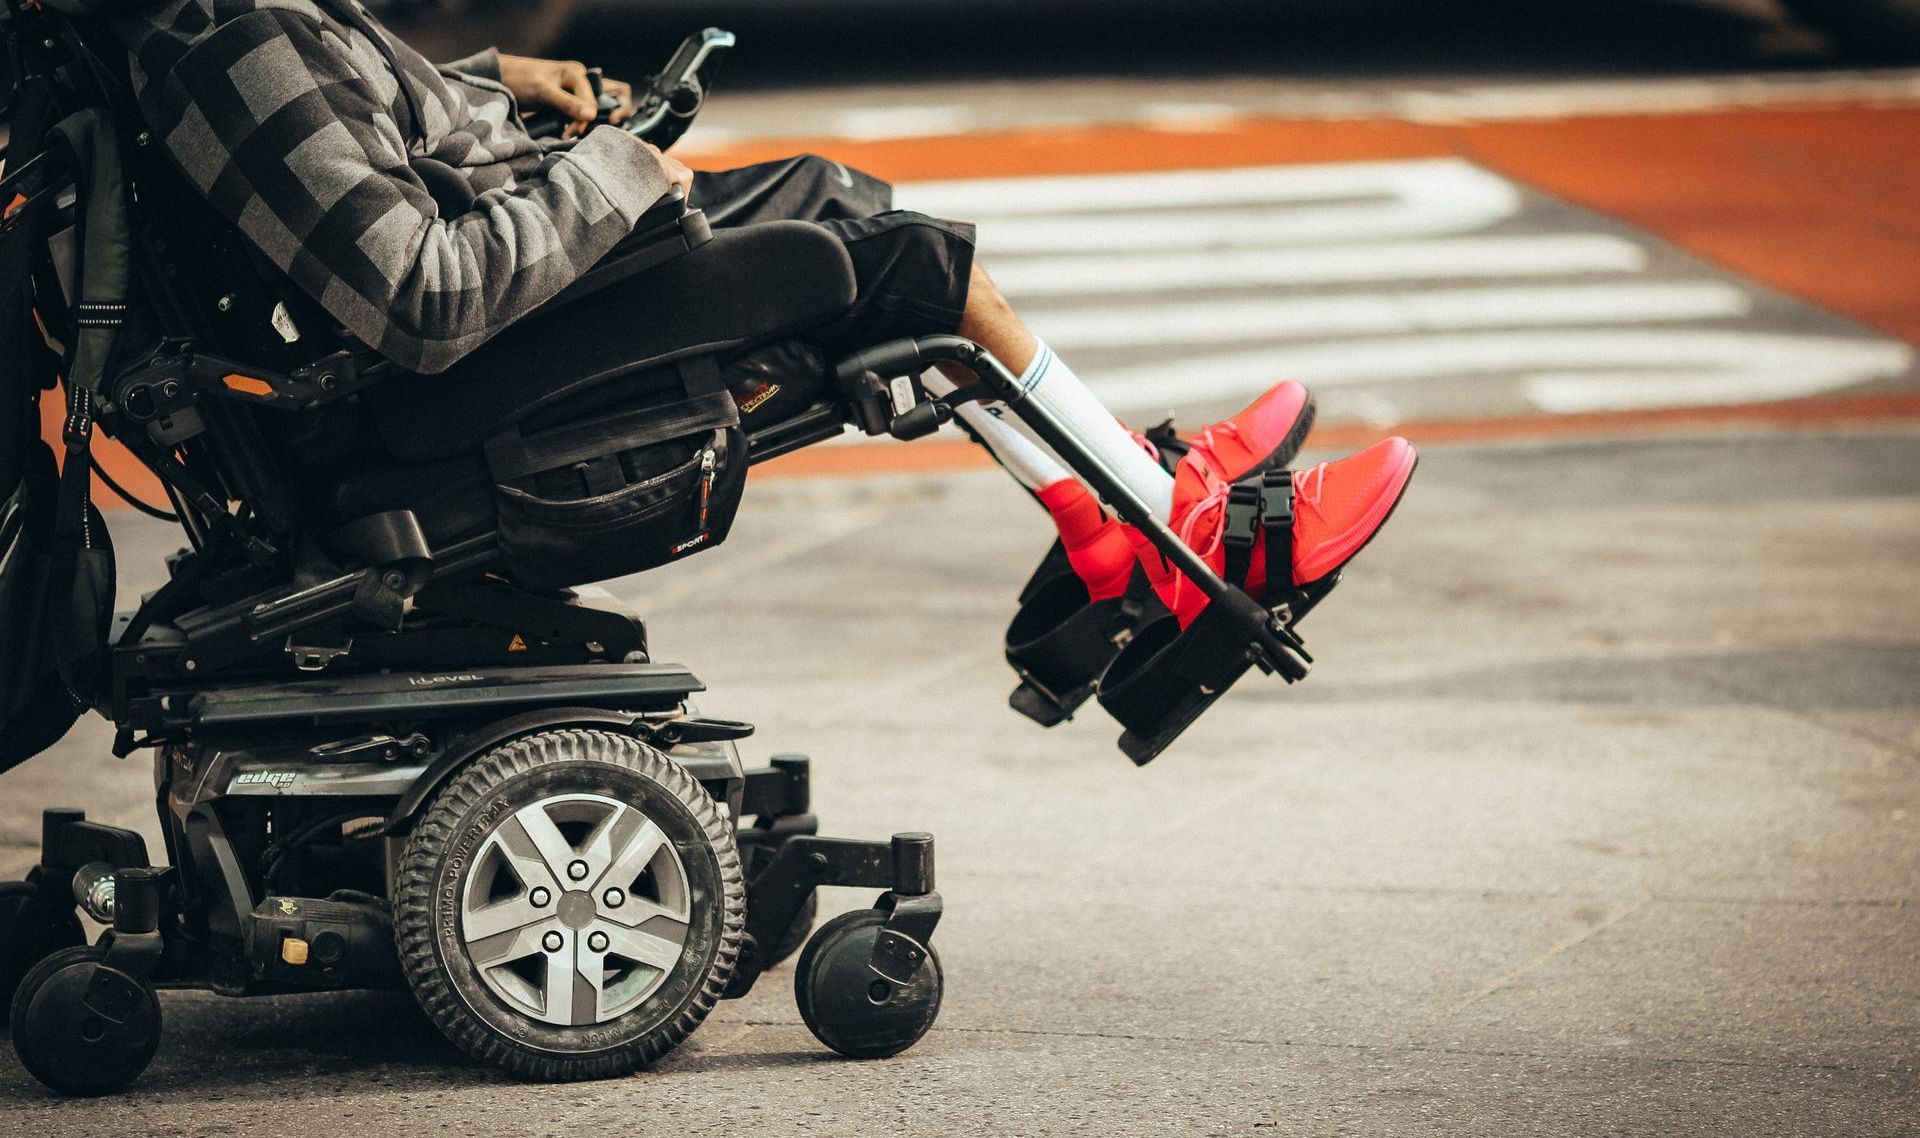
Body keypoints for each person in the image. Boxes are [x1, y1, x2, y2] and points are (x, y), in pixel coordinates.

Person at [104, 0, 1416, 620]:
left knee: (834, 202)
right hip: (462, 382)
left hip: (478, 317)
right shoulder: (232, 41)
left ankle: (1115, 508)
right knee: (899, 266)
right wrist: (619, 172)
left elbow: (345, 138)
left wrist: (498, 81)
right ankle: (1184, 539)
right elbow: (423, 296)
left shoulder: (222, 24)